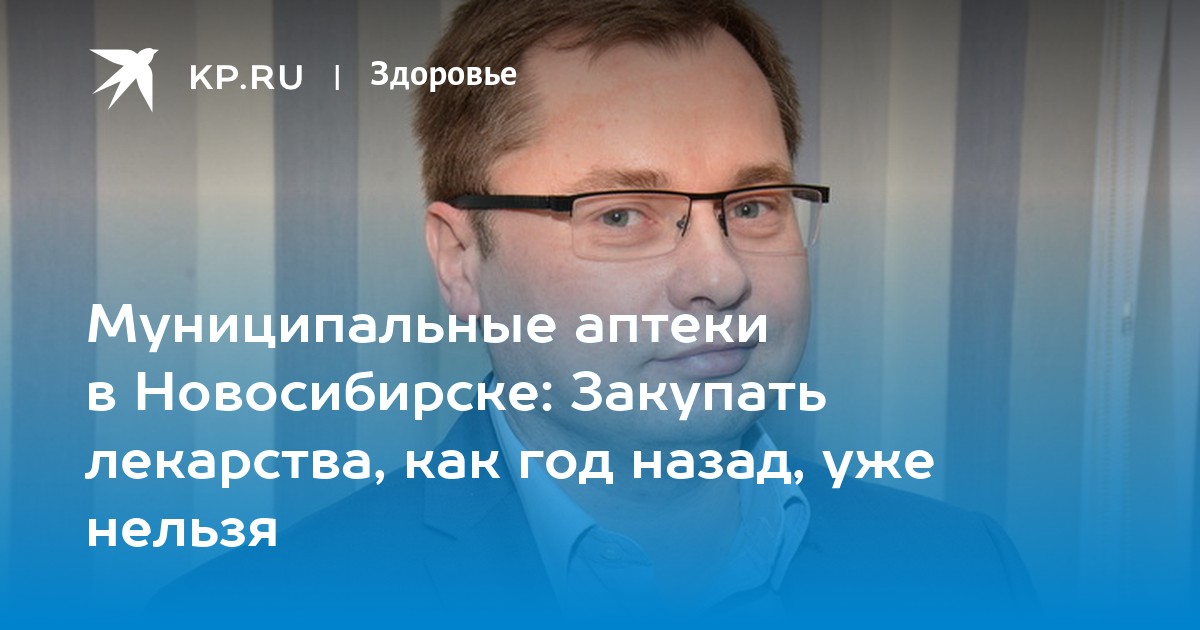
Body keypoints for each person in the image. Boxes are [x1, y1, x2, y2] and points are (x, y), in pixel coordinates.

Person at [153, 0, 1035, 622]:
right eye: (620, 215)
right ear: (460, 262)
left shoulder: (965, 574)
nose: (719, 275)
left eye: (753, 205)